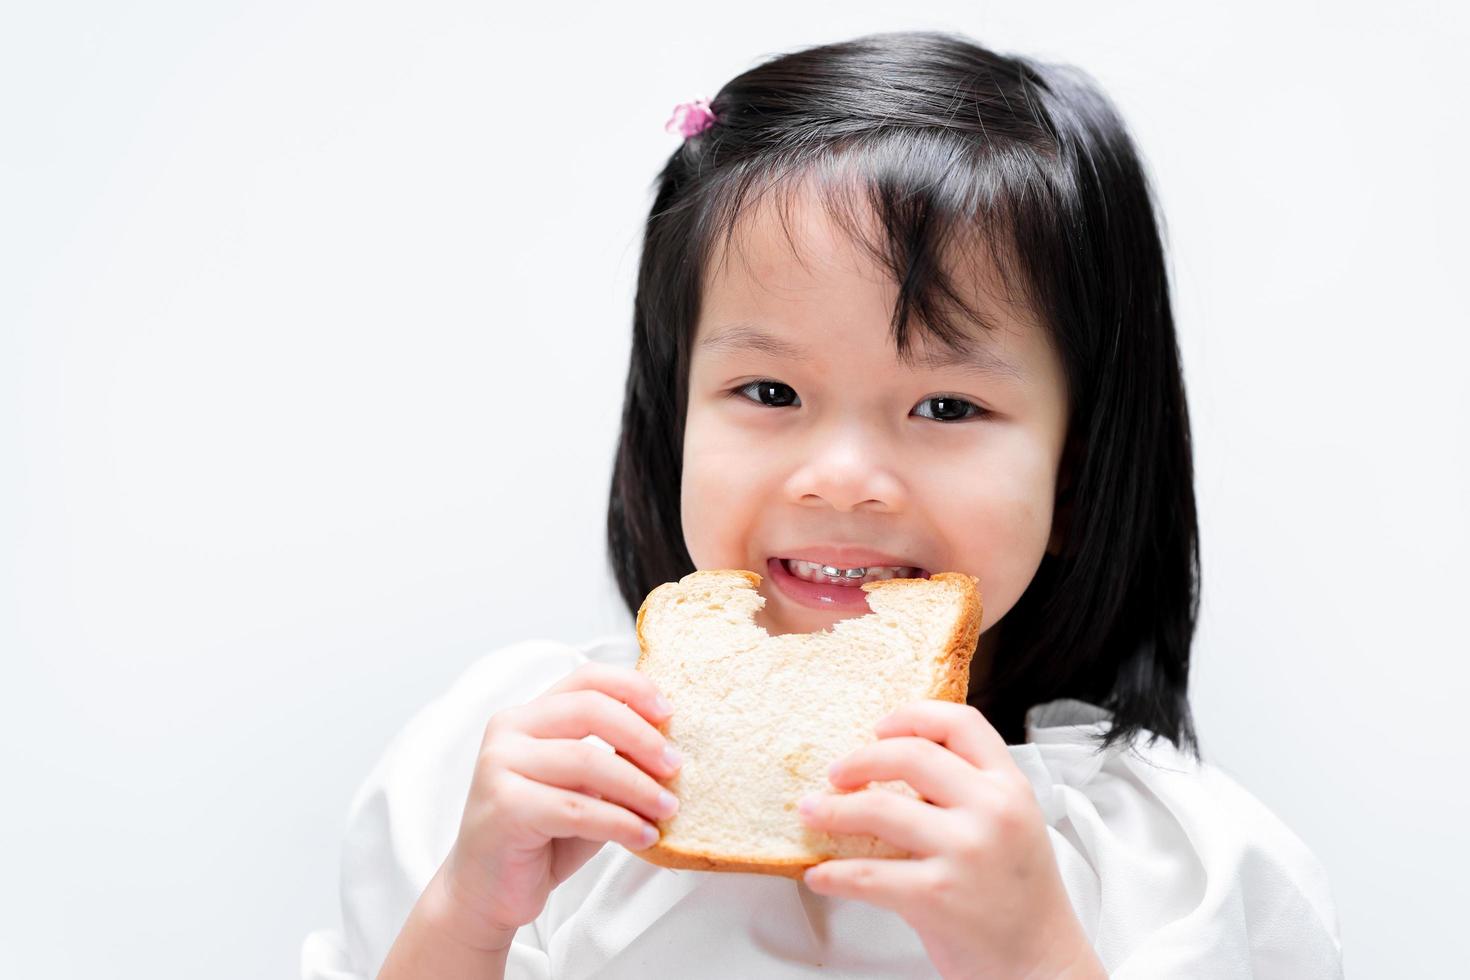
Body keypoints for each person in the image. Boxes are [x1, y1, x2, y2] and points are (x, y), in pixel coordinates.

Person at [301, 30, 1344, 979]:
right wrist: (464, 917)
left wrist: (1033, 954)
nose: (840, 475)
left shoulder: (1166, 865)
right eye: (770, 393)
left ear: (1076, 478)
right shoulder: (518, 770)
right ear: (675, 422)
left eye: (946, 404)